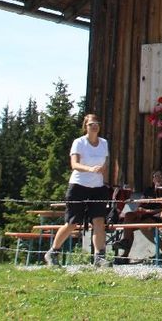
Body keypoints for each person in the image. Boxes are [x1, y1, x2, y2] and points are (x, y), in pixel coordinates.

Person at [45, 113, 110, 267]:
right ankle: (53, 252)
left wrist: (102, 170)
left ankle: (99, 257)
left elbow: (106, 161)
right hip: (79, 186)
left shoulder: (103, 143)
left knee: (99, 221)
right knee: (72, 223)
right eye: (91, 124)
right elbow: (74, 164)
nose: (94, 126)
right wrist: (90, 169)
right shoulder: (79, 142)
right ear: (85, 127)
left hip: (98, 187)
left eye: (97, 123)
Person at [111, 169, 162, 264]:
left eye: (160, 176)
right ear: (152, 179)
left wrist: (149, 211)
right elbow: (141, 203)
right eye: (155, 176)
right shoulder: (148, 190)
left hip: (155, 216)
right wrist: (139, 208)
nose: (157, 178)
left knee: (141, 225)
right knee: (129, 215)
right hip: (143, 215)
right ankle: (125, 244)